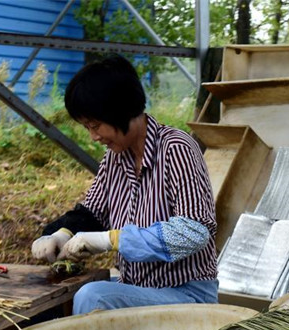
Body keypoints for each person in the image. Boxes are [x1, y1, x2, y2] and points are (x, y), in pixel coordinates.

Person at [31, 55, 219, 314]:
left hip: (186, 293)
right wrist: (59, 233)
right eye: (87, 127)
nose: (94, 137)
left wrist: (112, 239)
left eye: (96, 126)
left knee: (94, 297)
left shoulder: (177, 147)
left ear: (122, 110)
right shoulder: (115, 158)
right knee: (53, 299)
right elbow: (92, 213)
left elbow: (193, 231)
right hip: (137, 286)